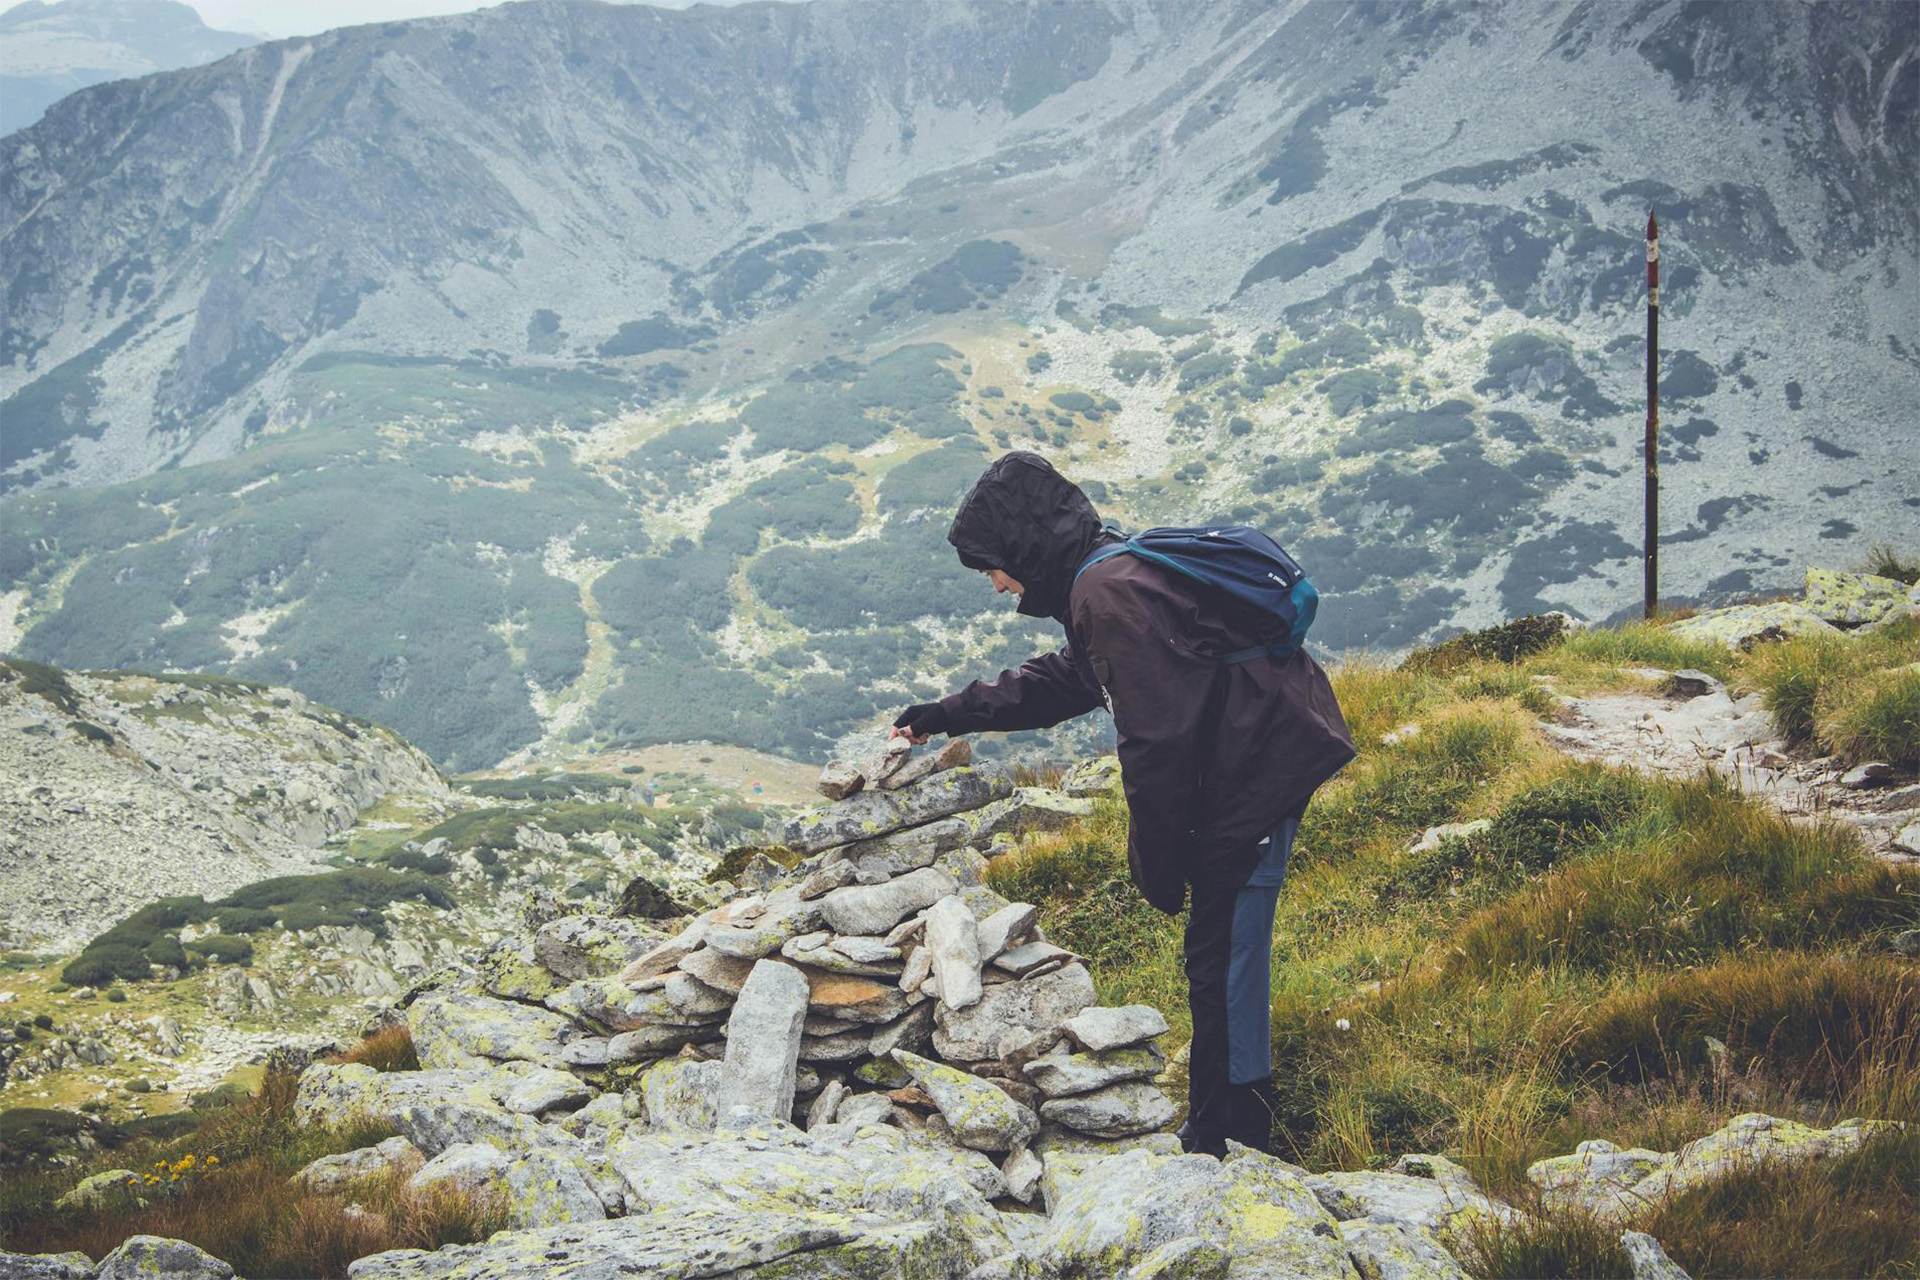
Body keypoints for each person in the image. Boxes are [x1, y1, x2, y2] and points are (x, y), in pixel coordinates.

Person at [891, 451, 1354, 1157]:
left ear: (1023, 545)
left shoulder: (1106, 591)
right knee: (1223, 949)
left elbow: (1156, 742)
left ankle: (1231, 1137)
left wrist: (1158, 860)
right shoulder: (1104, 573)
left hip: (1257, 771)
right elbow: (1070, 679)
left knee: (1224, 955)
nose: (995, 585)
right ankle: (1228, 1118)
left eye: (992, 567)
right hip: (1249, 755)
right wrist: (948, 713)